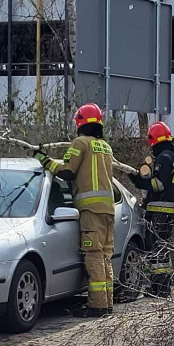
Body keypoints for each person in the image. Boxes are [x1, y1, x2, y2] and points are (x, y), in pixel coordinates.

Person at [34, 103, 116, 317]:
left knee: (94, 256)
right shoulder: (105, 146)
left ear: (79, 122)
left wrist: (45, 161)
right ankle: (106, 303)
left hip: (90, 209)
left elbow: (68, 172)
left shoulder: (80, 143)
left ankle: (97, 306)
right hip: (108, 209)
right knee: (105, 256)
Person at [129, 120, 174, 297]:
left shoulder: (164, 157)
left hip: (160, 210)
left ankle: (159, 288)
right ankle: (162, 286)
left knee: (155, 247)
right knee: (163, 247)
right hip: (171, 209)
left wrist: (138, 181)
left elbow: (159, 184)